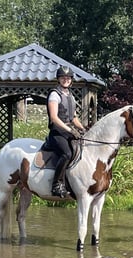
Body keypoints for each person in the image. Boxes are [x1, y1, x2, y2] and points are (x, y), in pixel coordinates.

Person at [46, 66, 86, 198]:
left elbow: (73, 118)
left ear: (71, 80)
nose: (66, 80)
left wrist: (82, 129)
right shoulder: (54, 94)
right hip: (57, 133)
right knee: (67, 153)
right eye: (63, 77)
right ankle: (56, 185)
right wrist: (70, 130)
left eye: (68, 78)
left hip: (68, 132)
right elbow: (54, 118)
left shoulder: (71, 96)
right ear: (58, 79)